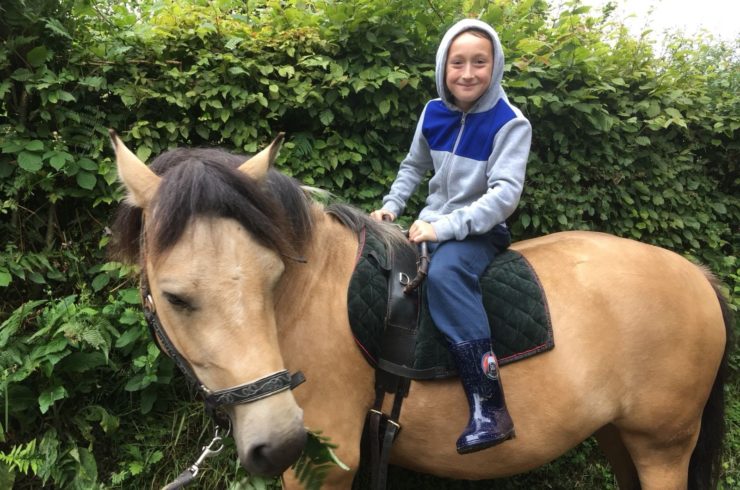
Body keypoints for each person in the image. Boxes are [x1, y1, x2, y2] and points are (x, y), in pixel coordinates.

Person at [370, 18, 532, 454]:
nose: (467, 73)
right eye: (457, 62)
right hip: (429, 225)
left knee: (444, 276)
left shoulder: (510, 123)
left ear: (495, 66)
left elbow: (503, 197)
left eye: (480, 62)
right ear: (443, 66)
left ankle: (489, 405)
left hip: (479, 232)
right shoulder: (432, 111)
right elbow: (413, 166)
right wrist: (391, 205)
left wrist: (443, 227)